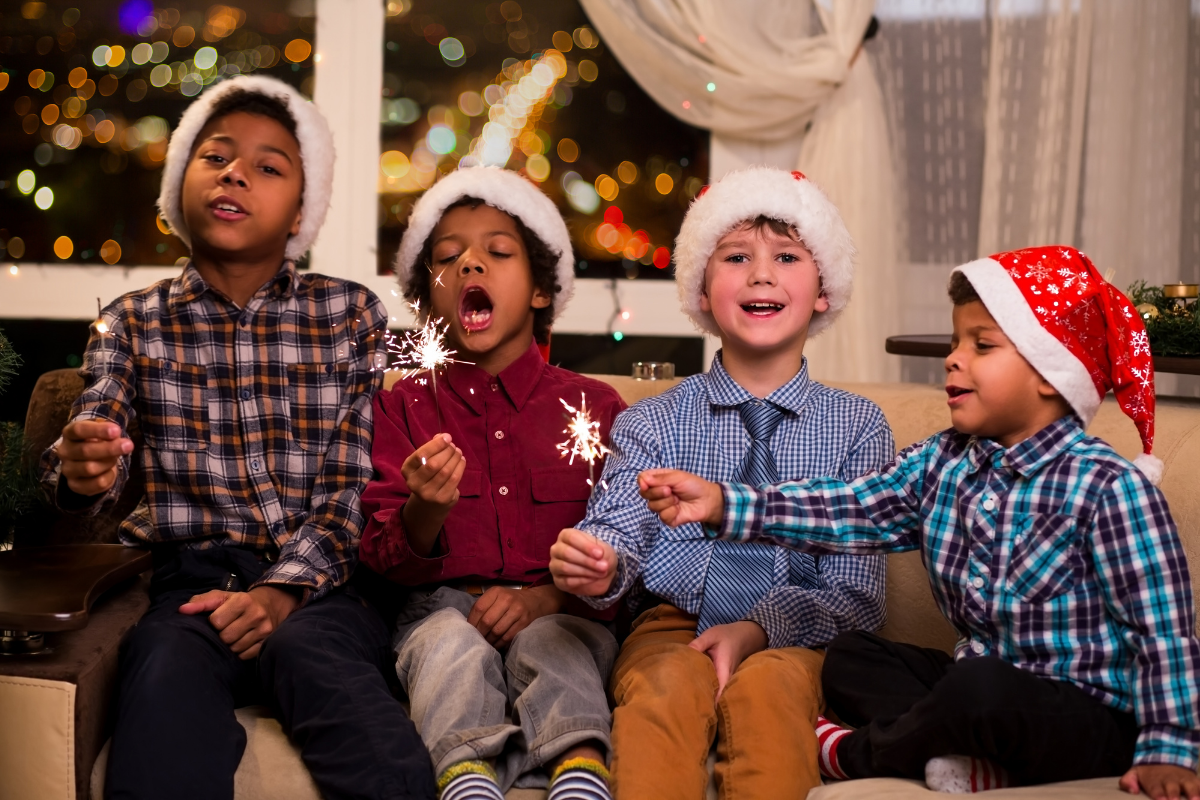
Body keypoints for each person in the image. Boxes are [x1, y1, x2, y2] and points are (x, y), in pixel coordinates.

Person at [638, 245, 1200, 798]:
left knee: (980, 690)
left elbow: (1162, 634)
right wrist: (723, 504)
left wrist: (1169, 749)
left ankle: (857, 752)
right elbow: (846, 507)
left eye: (982, 346)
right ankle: (965, 756)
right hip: (972, 689)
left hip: (1086, 712)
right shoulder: (942, 461)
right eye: (955, 342)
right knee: (853, 658)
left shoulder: (1107, 487)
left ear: (1050, 373)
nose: (954, 358)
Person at [40, 75, 435, 800]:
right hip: (187, 591)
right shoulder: (132, 322)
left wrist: (283, 593)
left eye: (268, 167)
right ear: (178, 187)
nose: (235, 174)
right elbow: (95, 429)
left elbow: (354, 484)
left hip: (324, 591)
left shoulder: (351, 315)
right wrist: (80, 466)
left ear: (299, 216)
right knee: (161, 710)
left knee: (368, 735)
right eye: (215, 157)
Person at [548, 167, 892, 799]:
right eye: (737, 257)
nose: (762, 273)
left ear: (824, 290)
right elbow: (617, 523)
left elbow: (860, 596)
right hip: (670, 626)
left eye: (787, 257)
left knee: (771, 693)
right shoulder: (654, 420)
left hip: (798, 636)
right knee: (665, 690)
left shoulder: (858, 427)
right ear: (703, 291)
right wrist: (600, 563)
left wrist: (760, 627)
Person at [359, 166, 626, 800]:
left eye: (498, 252)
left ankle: (581, 774)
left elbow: (628, 548)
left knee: (555, 648)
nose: (471, 264)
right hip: (440, 608)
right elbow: (383, 558)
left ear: (540, 291)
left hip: (564, 612)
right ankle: (467, 780)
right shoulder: (403, 408)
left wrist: (550, 600)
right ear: (429, 298)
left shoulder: (598, 406)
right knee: (446, 646)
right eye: (449, 258)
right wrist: (425, 508)